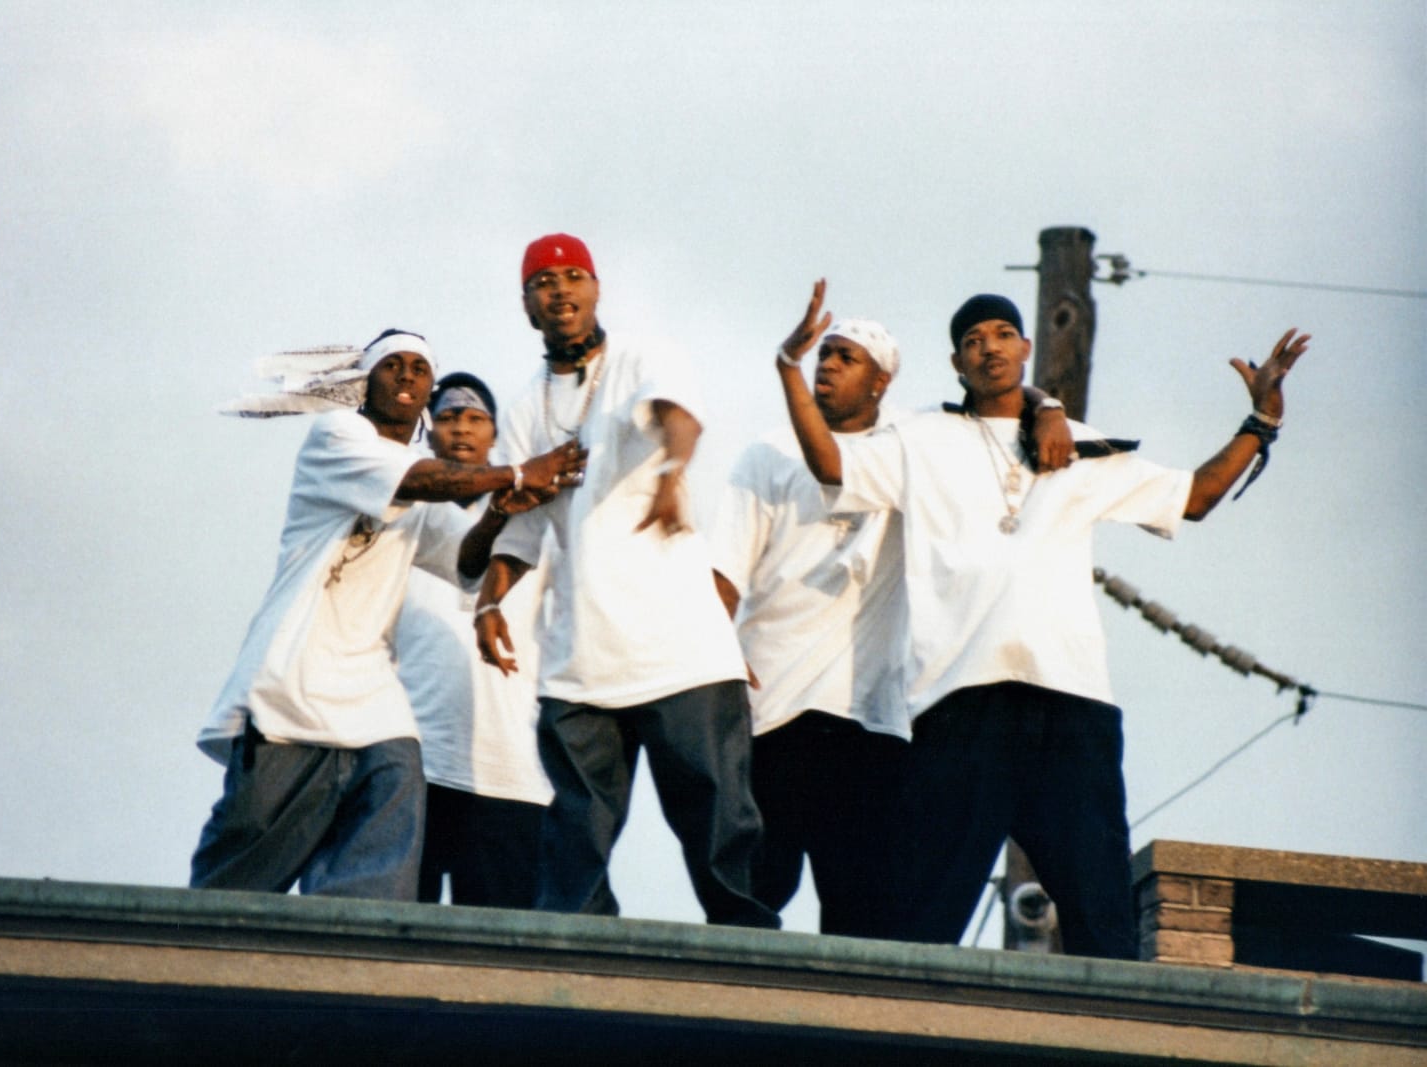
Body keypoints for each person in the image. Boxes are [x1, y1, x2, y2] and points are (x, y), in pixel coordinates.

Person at [771, 282, 1309, 958]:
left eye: (1000, 333)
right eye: (971, 341)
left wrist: (1260, 423)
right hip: (960, 704)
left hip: (1071, 705)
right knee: (915, 929)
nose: (987, 347)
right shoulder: (921, 438)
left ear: (1026, 346)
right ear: (956, 363)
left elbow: (1194, 497)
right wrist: (790, 368)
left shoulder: (1082, 447)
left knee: (1103, 926)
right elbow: (829, 461)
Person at [190, 330, 585, 899]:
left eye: (419, 368)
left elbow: (463, 562)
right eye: (392, 366)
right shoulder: (338, 435)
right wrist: (519, 474)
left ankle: (352, 964)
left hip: (374, 700)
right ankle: (188, 958)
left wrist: (499, 511)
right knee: (244, 865)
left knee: (388, 827)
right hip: (290, 682)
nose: (406, 375)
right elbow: (421, 481)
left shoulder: (418, 477)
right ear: (366, 383)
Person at [713, 316, 1071, 936]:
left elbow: (995, 399)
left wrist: (1051, 407)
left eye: (844, 357)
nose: (826, 365)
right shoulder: (768, 453)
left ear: (880, 381)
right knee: (751, 897)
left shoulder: (916, 444)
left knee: (860, 912)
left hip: (869, 718)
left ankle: (846, 1034)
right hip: (769, 707)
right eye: (823, 355)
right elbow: (723, 570)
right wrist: (717, 660)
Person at [473, 234, 778, 928]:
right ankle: (576, 975)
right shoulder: (525, 408)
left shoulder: (643, 356)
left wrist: (671, 473)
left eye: (573, 275)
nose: (560, 290)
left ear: (596, 288)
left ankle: (752, 965)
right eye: (543, 282)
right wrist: (489, 597)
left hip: (682, 651)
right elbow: (522, 526)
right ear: (527, 305)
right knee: (574, 841)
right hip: (582, 659)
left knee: (719, 828)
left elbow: (677, 415)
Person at [394, 372, 553, 908]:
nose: (461, 428)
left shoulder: (533, 530)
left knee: (501, 967)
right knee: (395, 949)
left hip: (511, 771)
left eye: (476, 417)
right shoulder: (401, 520)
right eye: (446, 416)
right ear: (427, 433)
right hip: (412, 767)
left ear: (496, 436)